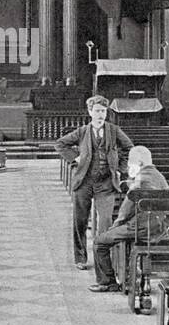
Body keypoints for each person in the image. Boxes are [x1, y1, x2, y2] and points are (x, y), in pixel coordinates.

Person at [54, 95, 134, 269]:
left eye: (103, 111)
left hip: (106, 183)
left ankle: (102, 261)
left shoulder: (114, 131)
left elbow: (129, 148)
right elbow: (60, 144)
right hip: (84, 181)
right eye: (97, 111)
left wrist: (121, 168)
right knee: (80, 221)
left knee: (105, 222)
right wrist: (75, 159)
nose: (100, 114)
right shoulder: (82, 132)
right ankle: (80, 258)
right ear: (90, 112)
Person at [89, 146, 169, 292]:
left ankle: (107, 282)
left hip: (141, 228)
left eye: (130, 162)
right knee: (123, 234)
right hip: (159, 227)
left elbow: (124, 213)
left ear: (138, 163)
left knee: (100, 242)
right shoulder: (159, 176)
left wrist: (113, 228)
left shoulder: (139, 181)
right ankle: (128, 273)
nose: (127, 166)